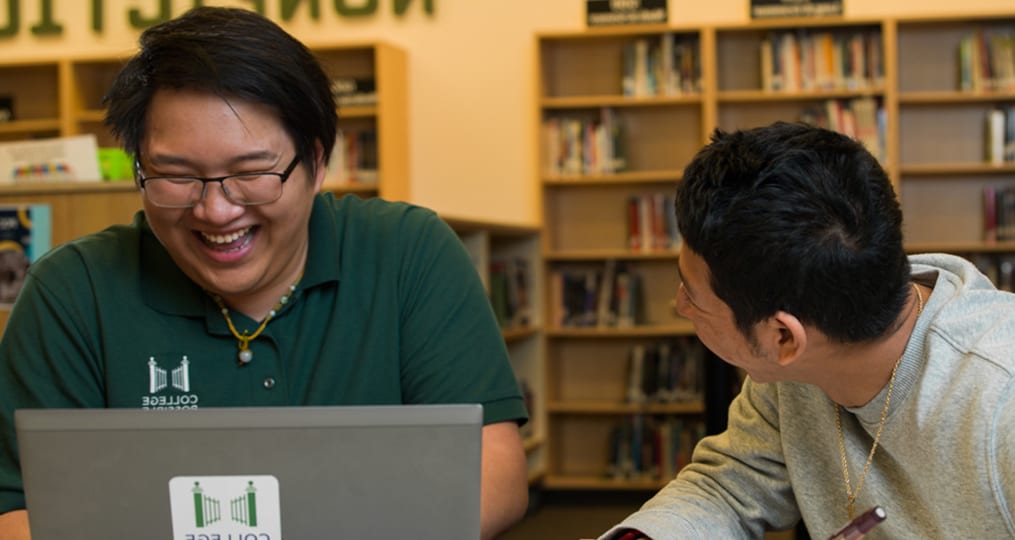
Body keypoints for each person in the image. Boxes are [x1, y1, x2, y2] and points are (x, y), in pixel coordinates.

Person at [0, 7, 528, 540]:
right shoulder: (71, 292)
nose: (216, 210)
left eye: (251, 172)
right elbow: (15, 512)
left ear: (316, 162)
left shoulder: (408, 252)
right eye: (175, 175)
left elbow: (494, 475)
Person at [599, 122, 1015, 539]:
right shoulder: (800, 364)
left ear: (783, 337)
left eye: (693, 295)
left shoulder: (1001, 402)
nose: (680, 305)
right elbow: (728, 487)